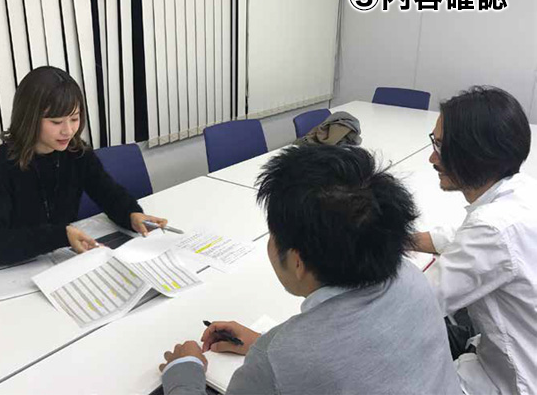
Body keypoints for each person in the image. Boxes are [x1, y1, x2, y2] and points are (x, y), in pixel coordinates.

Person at [159, 145, 460, 394]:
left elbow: (313, 358)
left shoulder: (278, 359)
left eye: (273, 235)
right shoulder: (412, 279)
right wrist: (261, 342)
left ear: (297, 262)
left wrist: (184, 370)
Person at [0, 66, 167, 265]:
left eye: (74, 118)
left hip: (63, 261)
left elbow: (108, 192)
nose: (68, 130)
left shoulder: (76, 152)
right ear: (29, 119)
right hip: (15, 268)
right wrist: (59, 236)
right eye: (56, 122)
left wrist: (131, 214)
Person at [413, 86, 537, 395]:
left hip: (509, 381)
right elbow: (461, 239)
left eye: (440, 147)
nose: (432, 157)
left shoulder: (492, 229)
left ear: (476, 154)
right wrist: (404, 239)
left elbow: (415, 303)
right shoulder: (521, 191)